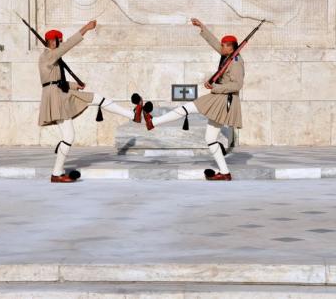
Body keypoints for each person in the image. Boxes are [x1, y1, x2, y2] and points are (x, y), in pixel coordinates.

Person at [38, 20, 146, 183]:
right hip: (56, 97)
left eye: (57, 41)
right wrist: (85, 29)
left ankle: (56, 173)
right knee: (91, 104)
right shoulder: (48, 55)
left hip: (60, 93)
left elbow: (55, 81)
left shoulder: (51, 57)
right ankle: (132, 115)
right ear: (52, 41)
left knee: (70, 134)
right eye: (56, 41)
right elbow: (66, 48)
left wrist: (76, 85)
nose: (58, 43)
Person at [140, 18, 244, 181]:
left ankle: (153, 122)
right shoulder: (228, 56)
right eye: (222, 45)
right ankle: (225, 173)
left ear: (231, 48)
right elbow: (215, 43)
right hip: (220, 99)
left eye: (224, 45)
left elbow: (237, 85)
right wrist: (203, 28)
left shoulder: (236, 62)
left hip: (224, 100)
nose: (221, 47)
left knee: (188, 108)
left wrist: (215, 88)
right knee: (210, 139)